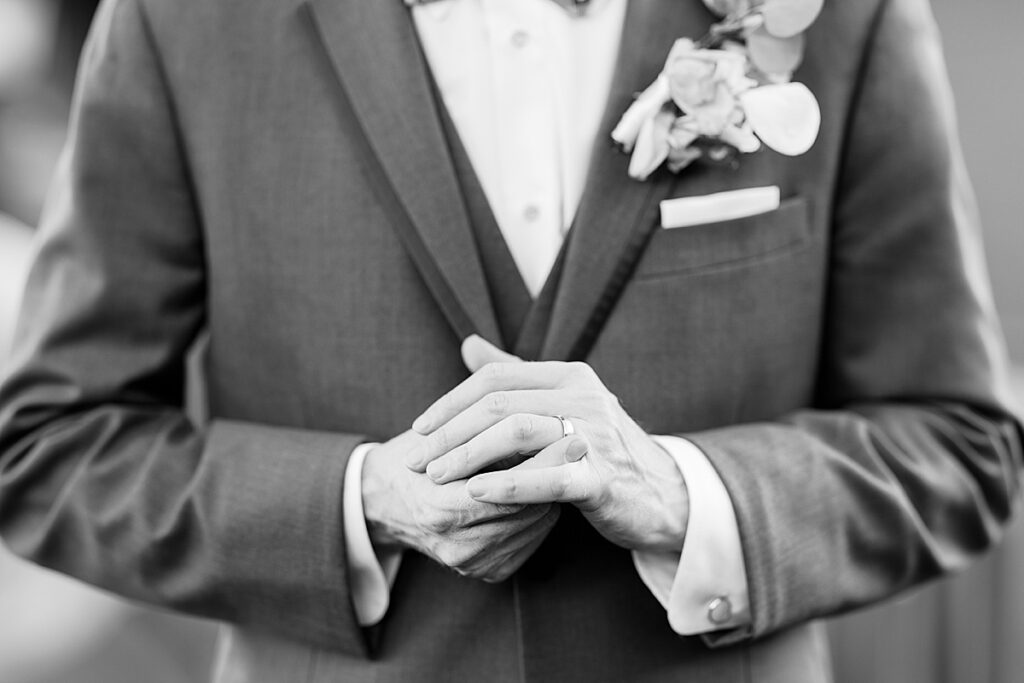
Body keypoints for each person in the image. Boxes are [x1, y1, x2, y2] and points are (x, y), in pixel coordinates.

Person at [0, 0, 1020, 681]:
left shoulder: (840, 16)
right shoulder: (181, 23)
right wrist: (362, 506)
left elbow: (962, 444)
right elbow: (48, 445)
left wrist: (688, 495)